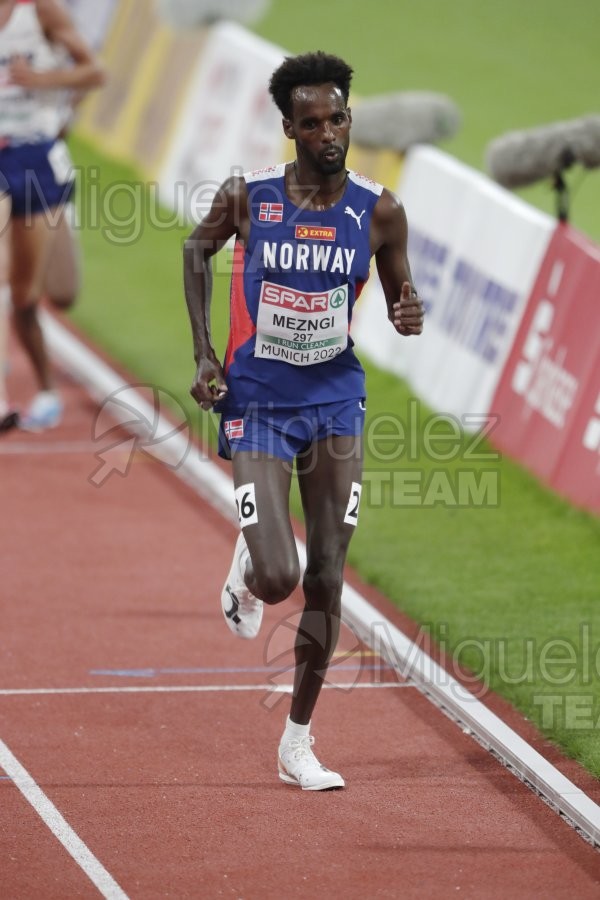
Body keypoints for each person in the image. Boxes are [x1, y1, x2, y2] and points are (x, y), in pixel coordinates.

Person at [183, 51, 424, 790]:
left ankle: (298, 742)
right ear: (289, 127)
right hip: (256, 402)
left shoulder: (379, 210)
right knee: (282, 576)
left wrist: (408, 308)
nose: (328, 133)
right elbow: (196, 251)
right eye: (312, 121)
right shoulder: (249, 197)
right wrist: (202, 355)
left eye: (338, 118)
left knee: (325, 573)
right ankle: (249, 571)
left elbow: (400, 294)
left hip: (334, 406)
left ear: (350, 120)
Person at [0, 0, 104, 431]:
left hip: (37, 155)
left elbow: (93, 72)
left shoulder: (40, 11)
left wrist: (44, 81)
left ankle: (45, 388)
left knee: (46, 294)